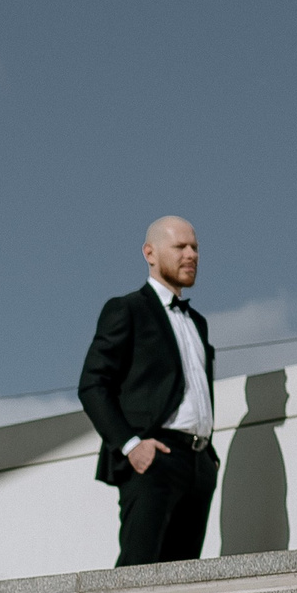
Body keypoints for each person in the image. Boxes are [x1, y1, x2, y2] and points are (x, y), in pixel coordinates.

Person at [78, 215, 220, 566]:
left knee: (182, 580)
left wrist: (209, 460)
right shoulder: (127, 310)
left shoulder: (197, 322)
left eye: (195, 248)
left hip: (198, 464)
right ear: (150, 253)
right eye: (180, 247)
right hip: (154, 458)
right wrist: (131, 446)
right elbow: (93, 384)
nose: (191, 255)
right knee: (137, 574)